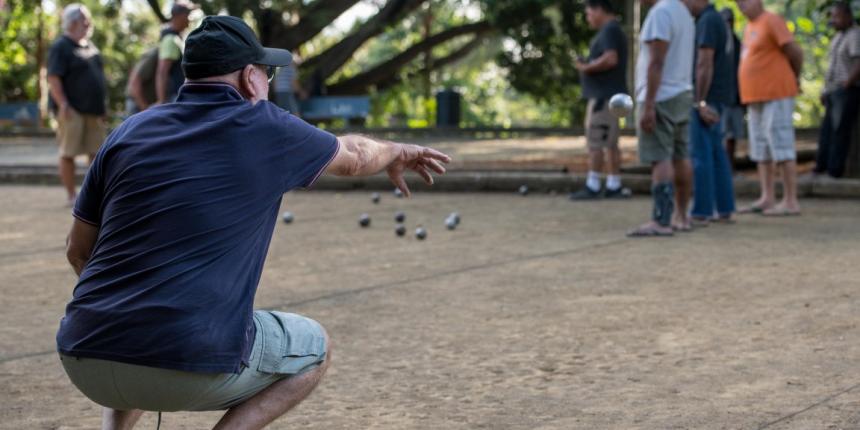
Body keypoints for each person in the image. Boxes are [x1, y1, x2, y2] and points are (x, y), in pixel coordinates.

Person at [58, 15, 451, 430]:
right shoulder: (265, 127)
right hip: (185, 360)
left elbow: (77, 250)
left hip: (84, 356)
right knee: (314, 349)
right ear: (250, 78)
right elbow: (354, 155)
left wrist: (131, 308)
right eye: (267, 72)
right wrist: (397, 151)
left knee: (142, 333)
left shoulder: (127, 133)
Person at [627, 0, 695, 237]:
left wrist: (649, 105)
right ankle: (682, 215)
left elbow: (657, 62)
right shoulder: (684, 13)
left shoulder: (660, 13)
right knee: (681, 155)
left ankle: (661, 220)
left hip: (661, 95)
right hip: (682, 92)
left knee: (661, 158)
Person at [736, 0, 803, 216]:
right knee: (760, 148)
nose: (741, 5)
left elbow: (795, 51)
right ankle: (767, 196)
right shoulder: (749, 26)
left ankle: (790, 200)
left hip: (777, 93)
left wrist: (795, 77)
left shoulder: (771, 21)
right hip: (755, 97)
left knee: (781, 144)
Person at [46, 4, 107, 207]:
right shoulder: (61, 46)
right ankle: (71, 196)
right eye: (85, 19)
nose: (89, 23)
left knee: (97, 154)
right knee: (68, 153)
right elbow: (53, 78)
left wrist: (103, 107)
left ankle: (93, 196)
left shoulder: (90, 46)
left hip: (93, 111)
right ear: (72, 23)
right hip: (72, 110)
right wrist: (63, 104)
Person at [570, 0, 629, 200]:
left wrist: (586, 67)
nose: (588, 18)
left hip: (604, 98)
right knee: (610, 142)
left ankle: (593, 184)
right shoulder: (614, 30)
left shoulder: (609, 30)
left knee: (596, 141)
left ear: (599, 9)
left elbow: (610, 58)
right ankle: (614, 184)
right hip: (612, 96)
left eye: (588, 13)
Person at [687, 0, 736, 224]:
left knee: (702, 154)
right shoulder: (716, 20)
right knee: (716, 153)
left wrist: (700, 101)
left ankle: (703, 209)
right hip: (719, 96)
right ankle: (723, 207)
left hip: (709, 97)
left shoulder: (707, 20)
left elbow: (704, 63)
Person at [815, 1, 860, 179]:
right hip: (833, 90)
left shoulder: (855, 35)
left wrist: (848, 83)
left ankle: (835, 170)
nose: (833, 20)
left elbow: (858, 61)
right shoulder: (837, 37)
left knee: (839, 130)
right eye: (832, 17)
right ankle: (821, 166)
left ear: (848, 17)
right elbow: (832, 66)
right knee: (827, 130)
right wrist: (825, 90)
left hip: (846, 89)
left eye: (837, 16)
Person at [155, 1, 197, 104]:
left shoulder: (177, 38)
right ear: (180, 16)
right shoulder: (170, 39)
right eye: (188, 15)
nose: (189, 19)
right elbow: (162, 72)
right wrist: (162, 101)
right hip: (174, 97)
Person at [720, 7, 744, 171]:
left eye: (730, 21)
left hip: (736, 98)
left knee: (732, 136)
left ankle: (729, 168)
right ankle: (720, 168)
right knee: (720, 134)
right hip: (721, 98)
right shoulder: (716, 44)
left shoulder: (738, 43)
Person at [125, 47, 159, 116]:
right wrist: (145, 110)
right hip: (137, 103)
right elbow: (135, 83)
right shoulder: (155, 55)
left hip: (145, 105)